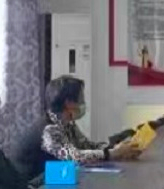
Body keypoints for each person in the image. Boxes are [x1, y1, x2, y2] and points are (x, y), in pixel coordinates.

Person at [10, 76, 142, 180]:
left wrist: (117, 149)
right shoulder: (49, 130)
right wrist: (112, 153)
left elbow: (87, 146)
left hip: (52, 180)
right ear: (68, 103)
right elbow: (74, 157)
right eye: (80, 98)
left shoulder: (67, 124)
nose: (83, 103)